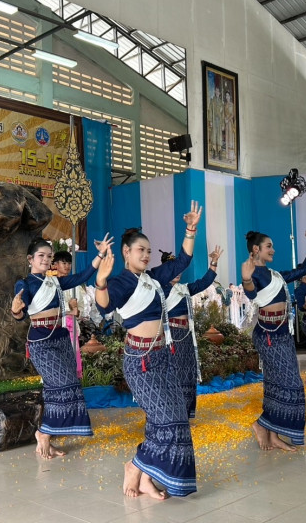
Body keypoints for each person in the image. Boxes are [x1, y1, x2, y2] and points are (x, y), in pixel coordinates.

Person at [95, 201, 203, 500]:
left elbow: (182, 261)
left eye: (149, 251)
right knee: (168, 420)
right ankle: (134, 467)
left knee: (173, 418)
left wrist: (191, 229)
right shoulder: (121, 282)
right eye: (140, 250)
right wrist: (101, 281)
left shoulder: (153, 279)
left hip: (162, 357)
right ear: (126, 252)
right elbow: (104, 305)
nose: (146, 255)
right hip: (140, 362)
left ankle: (145, 478)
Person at [11, 233, 114, 459]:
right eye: (41, 256)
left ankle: (47, 436)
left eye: (49, 257)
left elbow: (83, 275)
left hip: (61, 338)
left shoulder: (55, 282)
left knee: (61, 388)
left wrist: (100, 255)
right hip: (41, 341)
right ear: (30, 259)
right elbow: (20, 311)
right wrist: (16, 309)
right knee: (64, 384)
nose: (46, 260)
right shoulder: (24, 283)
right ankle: (44, 434)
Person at [241, 222, 306, 451]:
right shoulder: (252, 273)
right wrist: (246, 280)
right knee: (291, 383)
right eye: (269, 246)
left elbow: (303, 269)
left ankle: (273, 433)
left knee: (276, 383)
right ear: (256, 249)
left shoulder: (274, 274)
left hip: (282, 333)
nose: (273, 250)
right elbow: (250, 293)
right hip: (268, 334)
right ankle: (261, 424)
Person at [163, 245, 223, 418]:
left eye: (179, 269)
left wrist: (214, 262)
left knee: (188, 372)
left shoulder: (184, 289)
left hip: (187, 336)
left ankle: (184, 412)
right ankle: (171, 413)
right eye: (173, 269)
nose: (178, 272)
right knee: (172, 373)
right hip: (171, 337)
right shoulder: (159, 291)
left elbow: (204, 283)